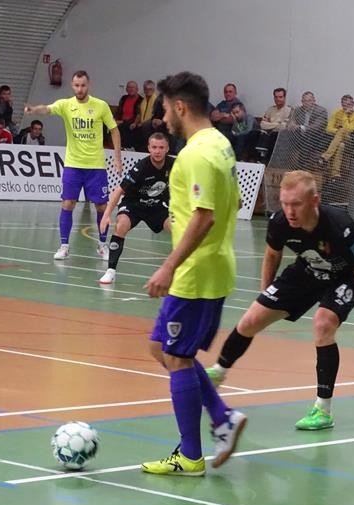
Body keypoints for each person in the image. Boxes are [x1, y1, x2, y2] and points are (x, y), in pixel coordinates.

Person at [206, 170, 354, 431]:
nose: (289, 211)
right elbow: (272, 254)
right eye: (284, 203)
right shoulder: (280, 221)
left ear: (314, 201)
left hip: (343, 277)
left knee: (323, 325)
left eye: (296, 204)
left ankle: (323, 410)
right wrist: (266, 295)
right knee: (251, 320)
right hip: (307, 270)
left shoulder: (340, 227)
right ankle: (218, 372)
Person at [141, 71, 246, 476]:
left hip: (195, 272)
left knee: (177, 357)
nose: (164, 116)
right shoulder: (221, 144)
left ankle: (191, 455)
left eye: (166, 108)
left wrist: (170, 264)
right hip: (211, 264)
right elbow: (234, 202)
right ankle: (222, 417)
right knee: (161, 349)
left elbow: (205, 216)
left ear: (180, 107)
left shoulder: (195, 154)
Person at [24, 70, 122, 260]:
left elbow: (114, 130)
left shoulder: (100, 106)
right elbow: (48, 109)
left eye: (83, 85)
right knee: (68, 203)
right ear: (72, 85)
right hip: (73, 165)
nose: (80, 89)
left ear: (88, 85)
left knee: (102, 206)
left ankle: (102, 245)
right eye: (77, 85)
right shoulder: (66, 105)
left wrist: (117, 158)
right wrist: (34, 110)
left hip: (96, 166)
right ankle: (64, 246)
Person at [98, 132, 174, 284]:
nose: (157, 151)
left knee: (178, 229)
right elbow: (118, 191)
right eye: (154, 147)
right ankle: (110, 271)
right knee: (121, 225)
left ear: (167, 149)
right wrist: (106, 215)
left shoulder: (174, 165)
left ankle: (179, 271)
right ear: (148, 148)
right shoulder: (141, 168)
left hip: (157, 206)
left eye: (161, 147)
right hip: (134, 205)